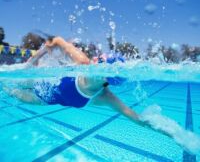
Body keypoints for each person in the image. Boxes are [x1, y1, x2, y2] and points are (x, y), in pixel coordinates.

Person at [2, 35, 179, 140]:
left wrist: (173, 133)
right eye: (98, 58)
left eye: (100, 61)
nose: (94, 60)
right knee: (11, 82)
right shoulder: (83, 62)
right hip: (38, 81)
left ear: (106, 79)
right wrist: (39, 54)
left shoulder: (105, 97)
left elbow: (138, 119)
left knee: (9, 91)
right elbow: (58, 40)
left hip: (42, 100)